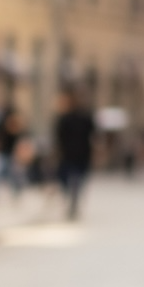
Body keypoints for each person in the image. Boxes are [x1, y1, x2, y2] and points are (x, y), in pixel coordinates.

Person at [54, 88, 96, 219]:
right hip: (82, 153)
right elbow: (94, 136)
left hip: (70, 153)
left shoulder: (64, 118)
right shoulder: (85, 117)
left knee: (68, 177)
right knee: (78, 177)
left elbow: (58, 138)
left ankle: (72, 196)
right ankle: (74, 196)